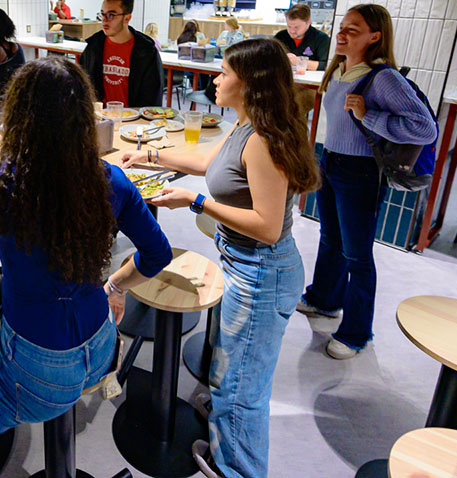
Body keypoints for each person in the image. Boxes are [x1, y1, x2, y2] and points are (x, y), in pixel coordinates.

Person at [0, 57, 172, 478]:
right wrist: (115, 287)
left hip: (35, 369)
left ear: (19, 116)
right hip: (101, 346)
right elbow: (158, 254)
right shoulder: (108, 178)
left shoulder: (0, 185)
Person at [122, 38, 320, 478]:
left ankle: (238, 470)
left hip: (261, 272)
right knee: (231, 375)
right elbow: (206, 162)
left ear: (249, 84)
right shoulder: (245, 124)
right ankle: (228, 450)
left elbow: (267, 226)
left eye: (225, 73)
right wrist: (151, 156)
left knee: (239, 390)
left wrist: (196, 204)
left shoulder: (264, 140)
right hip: (245, 264)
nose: (216, 79)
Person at [295, 4, 437, 359]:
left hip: (361, 172)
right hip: (331, 161)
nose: (342, 34)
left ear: (375, 36)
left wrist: (369, 116)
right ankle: (325, 299)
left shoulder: (383, 77)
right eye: (342, 27)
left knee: (357, 256)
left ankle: (357, 333)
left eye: (353, 30)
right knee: (330, 239)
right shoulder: (342, 68)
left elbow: (425, 128)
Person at [80, 0, 164, 107]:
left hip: (134, 120)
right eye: (102, 14)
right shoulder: (94, 46)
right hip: (101, 118)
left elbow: (152, 95)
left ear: (127, 18)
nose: (104, 20)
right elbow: (83, 85)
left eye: (111, 15)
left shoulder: (146, 51)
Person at [274, 3, 331, 71]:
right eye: (289, 26)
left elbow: (326, 65)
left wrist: (299, 62)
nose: (292, 31)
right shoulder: (280, 37)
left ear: (308, 22)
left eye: (296, 27)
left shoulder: (322, 39)